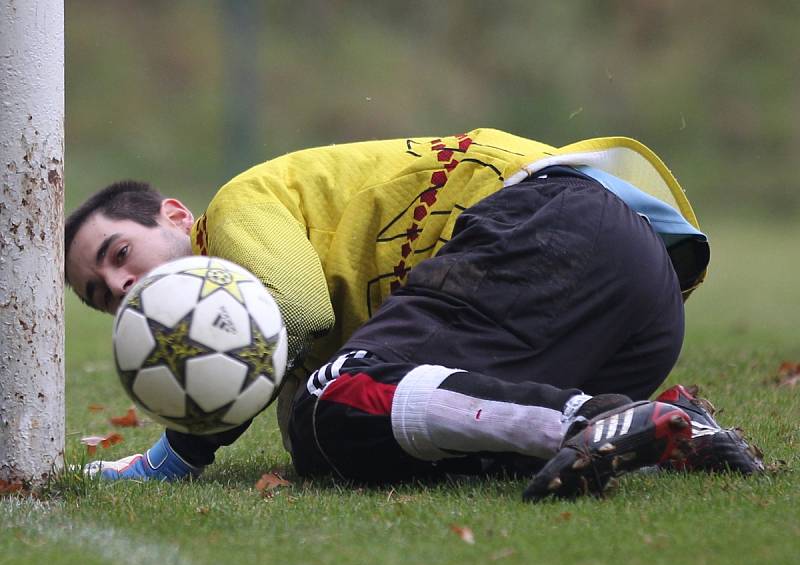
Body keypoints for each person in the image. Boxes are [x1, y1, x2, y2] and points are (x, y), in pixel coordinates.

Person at [65, 128, 760, 500]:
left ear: (178, 216)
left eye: (119, 252)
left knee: (333, 398)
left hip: (554, 224)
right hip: (637, 306)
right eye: (102, 293)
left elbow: (295, 314)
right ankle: (667, 426)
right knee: (335, 435)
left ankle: (589, 419)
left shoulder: (235, 209)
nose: (122, 285)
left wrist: (178, 455)